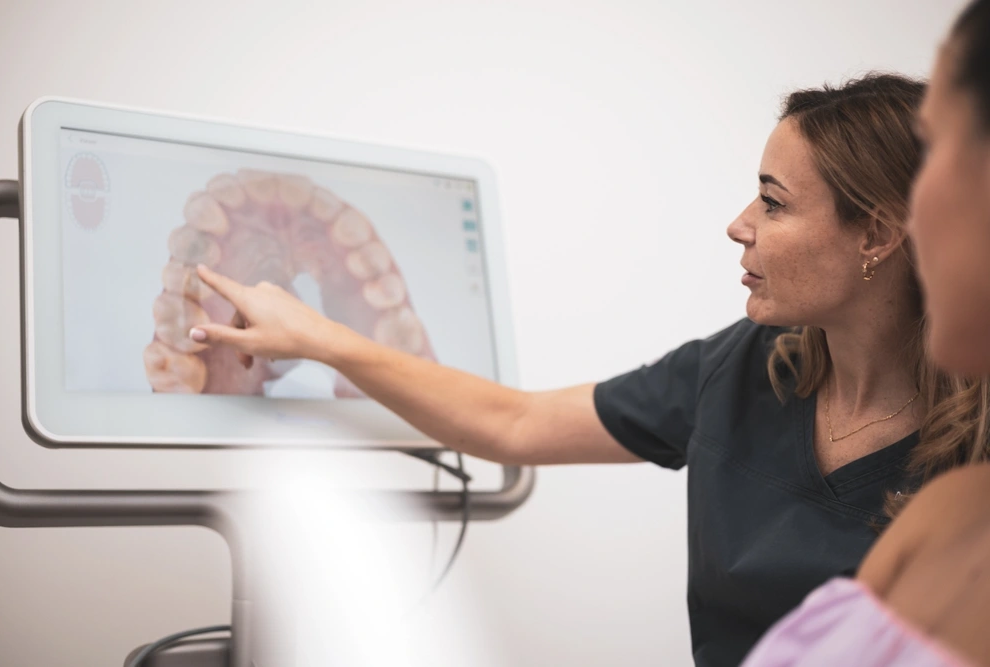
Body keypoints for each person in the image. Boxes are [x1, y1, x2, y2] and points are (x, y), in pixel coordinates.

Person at [186, 73, 990, 667]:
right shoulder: (746, 368)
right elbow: (517, 422)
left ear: (877, 234)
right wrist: (322, 338)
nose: (738, 225)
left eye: (773, 204)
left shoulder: (972, 462)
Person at [737, 2, 990, 666]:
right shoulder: (953, 511)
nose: (919, 206)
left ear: (875, 235)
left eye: (940, 150)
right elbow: (520, 421)